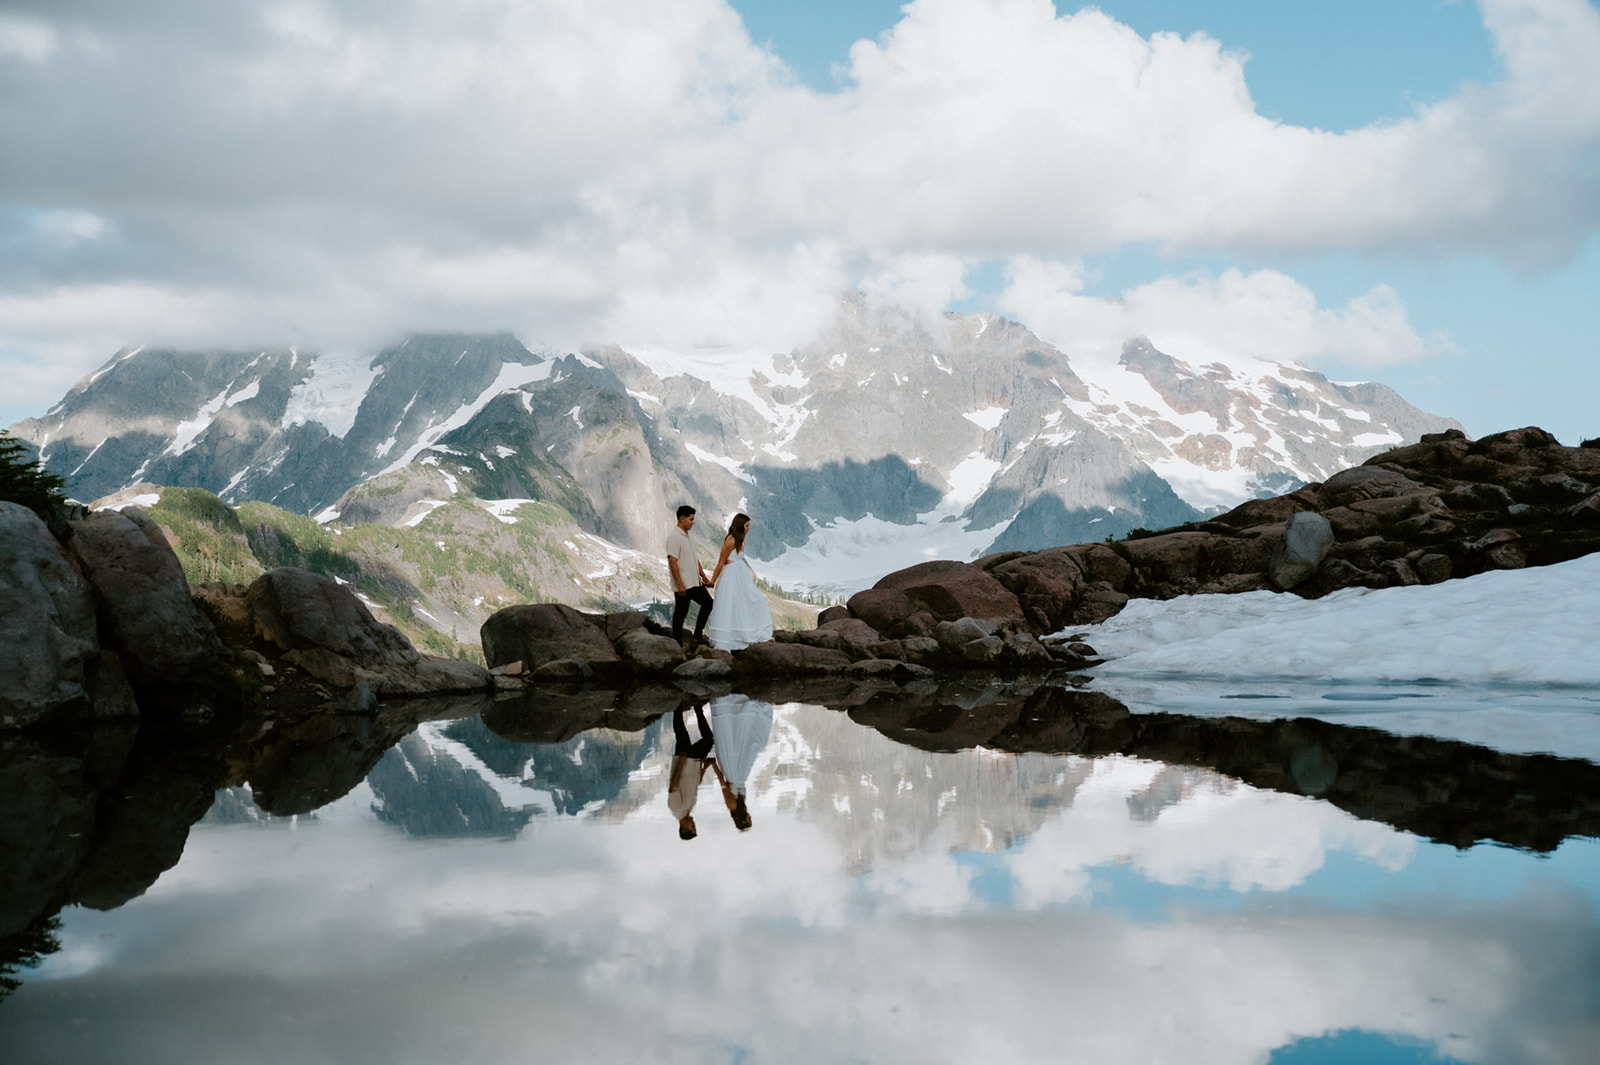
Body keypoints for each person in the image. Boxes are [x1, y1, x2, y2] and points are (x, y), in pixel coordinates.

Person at [704, 512, 774, 651]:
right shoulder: (731, 540)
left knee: (754, 601)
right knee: (730, 606)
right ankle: (727, 643)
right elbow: (721, 562)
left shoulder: (740, 540)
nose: (749, 528)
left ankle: (752, 635)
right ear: (740, 525)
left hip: (741, 578)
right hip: (731, 577)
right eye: (747, 525)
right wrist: (712, 581)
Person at [709, 694, 774, 832]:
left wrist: (713, 765)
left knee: (742, 741)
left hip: (732, 770)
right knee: (754, 744)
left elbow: (723, 785)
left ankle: (737, 708)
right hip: (740, 773)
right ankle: (749, 713)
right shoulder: (742, 803)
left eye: (749, 820)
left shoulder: (732, 805)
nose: (751, 817)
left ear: (744, 819)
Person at [665, 504, 713, 647]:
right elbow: (672, 560)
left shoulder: (688, 536)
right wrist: (679, 584)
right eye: (691, 520)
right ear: (682, 518)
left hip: (694, 581)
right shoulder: (674, 537)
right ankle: (678, 644)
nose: (693, 522)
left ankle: (697, 636)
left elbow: (694, 558)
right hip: (684, 583)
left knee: (708, 603)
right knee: (681, 613)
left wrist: (703, 575)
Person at [667, 704, 715, 840]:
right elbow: (695, 784)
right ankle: (690, 708)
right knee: (683, 734)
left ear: (685, 828)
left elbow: (673, 787)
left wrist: (682, 761)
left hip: (685, 762)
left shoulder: (676, 809)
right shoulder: (689, 808)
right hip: (693, 763)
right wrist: (705, 767)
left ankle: (680, 707)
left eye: (693, 826)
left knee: (705, 739)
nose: (694, 824)